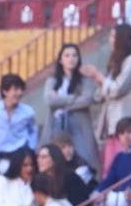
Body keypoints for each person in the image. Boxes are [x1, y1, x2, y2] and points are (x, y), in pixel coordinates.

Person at [83, 24, 131, 150]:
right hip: (112, 123)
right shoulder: (115, 62)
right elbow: (103, 93)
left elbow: (116, 89)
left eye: (113, 36)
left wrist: (98, 75)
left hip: (126, 123)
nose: (110, 40)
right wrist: (96, 79)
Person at [42, 43, 99, 171]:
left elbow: (87, 99)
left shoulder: (85, 80)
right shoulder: (53, 80)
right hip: (56, 122)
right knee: (54, 159)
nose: (71, 58)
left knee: (84, 158)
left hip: (78, 123)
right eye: (67, 55)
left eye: (74, 55)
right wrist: (73, 98)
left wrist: (61, 102)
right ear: (61, 60)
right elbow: (49, 100)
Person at [0, 73, 38, 161]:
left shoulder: (28, 111)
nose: (19, 93)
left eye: (21, 89)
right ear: (5, 91)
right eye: (15, 89)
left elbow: (33, 131)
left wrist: (31, 149)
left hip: (20, 155)